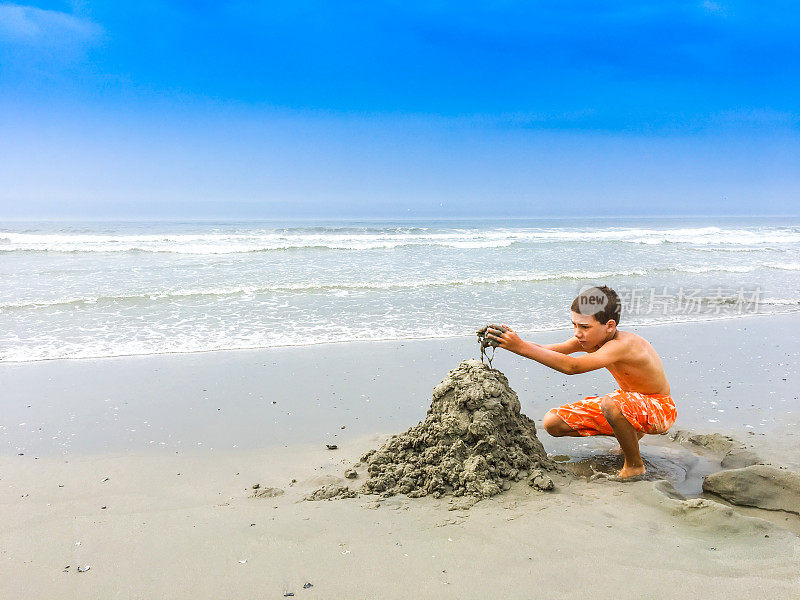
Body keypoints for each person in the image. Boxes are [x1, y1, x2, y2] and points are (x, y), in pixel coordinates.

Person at [485, 285, 676, 479]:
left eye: (584, 327)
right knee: (552, 422)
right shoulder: (590, 340)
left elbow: (572, 367)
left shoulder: (623, 344)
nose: (577, 333)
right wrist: (509, 341)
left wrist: (521, 347)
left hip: (659, 407)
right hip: (628, 404)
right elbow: (547, 349)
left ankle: (635, 465)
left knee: (611, 404)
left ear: (609, 326)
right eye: (574, 325)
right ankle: (629, 437)